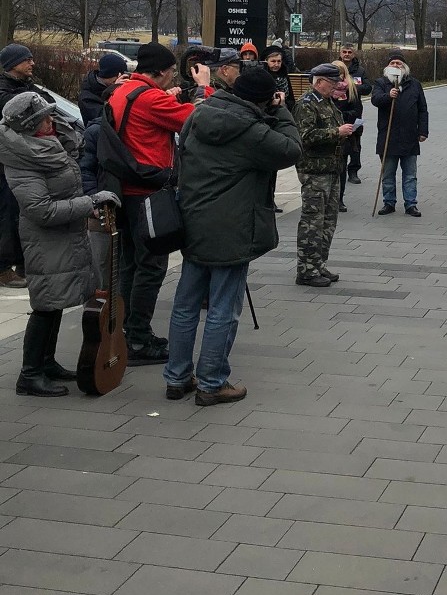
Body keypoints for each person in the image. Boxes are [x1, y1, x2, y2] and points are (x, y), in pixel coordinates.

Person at [163, 66, 302, 406]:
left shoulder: (199, 113)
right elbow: (291, 149)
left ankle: (177, 377)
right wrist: (281, 109)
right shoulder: (250, 130)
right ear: (264, 99)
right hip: (232, 226)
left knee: (186, 305)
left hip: (193, 220)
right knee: (224, 307)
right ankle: (211, 382)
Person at [0, 92, 119, 396]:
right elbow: (42, 210)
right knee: (45, 305)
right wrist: (88, 202)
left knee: (55, 304)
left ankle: (47, 362)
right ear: (29, 126)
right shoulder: (22, 158)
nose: (51, 121)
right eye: (44, 119)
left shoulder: (45, 144)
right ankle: (29, 374)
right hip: (45, 240)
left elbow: (72, 156)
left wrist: (62, 126)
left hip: (65, 235)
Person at [106, 42, 212, 365]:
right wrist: (204, 88)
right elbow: (196, 122)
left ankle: (125, 330)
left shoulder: (124, 91)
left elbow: (150, 114)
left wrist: (173, 97)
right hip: (149, 191)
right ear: (164, 72)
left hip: (125, 189)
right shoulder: (150, 99)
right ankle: (138, 337)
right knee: (151, 265)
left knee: (130, 264)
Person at [293, 63, 354, 288]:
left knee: (328, 220)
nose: (336, 87)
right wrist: (336, 132)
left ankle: (318, 264)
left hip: (331, 169)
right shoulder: (307, 105)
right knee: (312, 221)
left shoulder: (328, 104)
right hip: (313, 171)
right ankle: (306, 270)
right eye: (332, 83)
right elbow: (305, 136)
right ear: (319, 82)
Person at [0, 44, 55, 289]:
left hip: (26, 158)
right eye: (27, 60)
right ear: (12, 64)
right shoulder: (4, 91)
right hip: (7, 161)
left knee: (23, 213)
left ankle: (23, 263)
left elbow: (48, 104)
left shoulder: (27, 87)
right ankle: (3, 268)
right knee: (7, 213)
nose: (32, 63)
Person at [371, 51, 429, 217]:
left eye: (399, 64)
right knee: (388, 173)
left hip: (410, 136)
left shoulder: (415, 84)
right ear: (388, 67)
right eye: (393, 63)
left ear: (405, 68)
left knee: (410, 175)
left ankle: (411, 204)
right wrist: (388, 96)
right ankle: (389, 202)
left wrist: (423, 130)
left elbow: (423, 109)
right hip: (388, 136)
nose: (396, 66)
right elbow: (375, 100)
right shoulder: (381, 83)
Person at [339, 44, 372, 183]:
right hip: (338, 110)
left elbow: (368, 88)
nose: (346, 54)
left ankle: (353, 171)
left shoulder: (360, 71)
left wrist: (352, 87)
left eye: (349, 52)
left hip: (355, 112)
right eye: (344, 52)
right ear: (340, 53)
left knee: (355, 143)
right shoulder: (335, 69)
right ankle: (339, 170)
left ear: (354, 54)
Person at [331, 59, 359, 212]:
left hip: (345, 135)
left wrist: (343, 116)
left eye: (339, 73)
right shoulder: (326, 91)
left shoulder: (350, 89)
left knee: (342, 168)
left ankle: (339, 199)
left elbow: (356, 111)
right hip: (329, 134)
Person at [79, 53, 129, 125]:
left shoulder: (106, 86)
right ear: (109, 75)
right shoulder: (87, 97)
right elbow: (108, 119)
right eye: (118, 76)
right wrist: (114, 90)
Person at [262, 45, 295, 110]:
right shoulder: (262, 77)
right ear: (266, 61)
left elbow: (291, 99)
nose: (276, 64)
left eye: (279, 61)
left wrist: (284, 104)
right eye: (273, 61)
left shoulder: (284, 76)